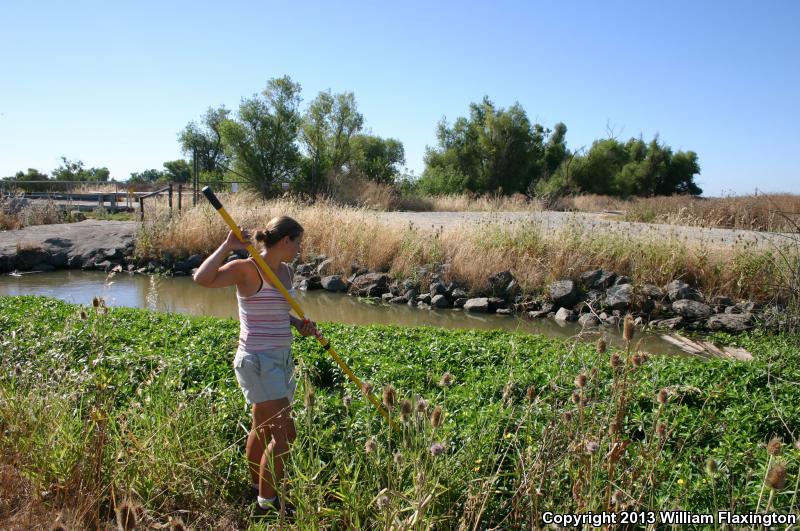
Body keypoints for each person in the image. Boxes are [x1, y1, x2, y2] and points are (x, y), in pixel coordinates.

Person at [193, 215, 316, 516]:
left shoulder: (285, 273)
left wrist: (298, 323)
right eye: (297, 243)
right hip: (258, 361)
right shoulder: (247, 269)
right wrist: (227, 245)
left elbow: (274, 310)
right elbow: (201, 279)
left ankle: (256, 488)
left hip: (281, 358)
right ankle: (267, 503)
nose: (299, 250)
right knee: (285, 435)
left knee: (261, 430)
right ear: (286, 240)